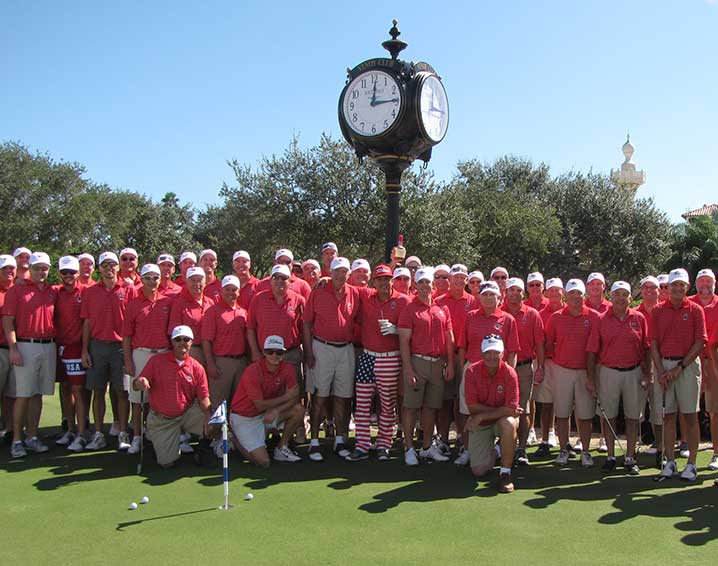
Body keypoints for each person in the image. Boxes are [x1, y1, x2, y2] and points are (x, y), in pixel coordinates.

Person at [346, 264, 409, 462]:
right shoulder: (367, 296)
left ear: (392, 280)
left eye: (387, 279)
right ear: (374, 282)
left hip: (390, 357)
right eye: (380, 279)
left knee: (387, 403)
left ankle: (384, 444)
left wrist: (396, 329)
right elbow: (346, 287)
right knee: (362, 403)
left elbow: (412, 329)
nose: (383, 282)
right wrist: (325, 280)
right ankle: (363, 445)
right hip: (367, 355)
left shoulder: (403, 300)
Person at [587, 281, 650, 475]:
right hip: (608, 372)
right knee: (609, 417)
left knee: (633, 417)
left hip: (634, 372)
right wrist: (591, 378)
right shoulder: (601, 319)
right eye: (617, 294)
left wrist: (647, 373)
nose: (621, 298)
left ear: (631, 298)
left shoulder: (639, 318)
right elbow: (591, 352)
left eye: (625, 294)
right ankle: (611, 456)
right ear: (611, 297)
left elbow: (646, 348)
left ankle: (630, 457)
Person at [651, 268, 707, 481]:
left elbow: (700, 341)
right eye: (673, 284)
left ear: (687, 287)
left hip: (687, 366)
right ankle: (670, 461)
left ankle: (691, 464)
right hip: (664, 366)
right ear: (668, 287)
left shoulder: (695, 310)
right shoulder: (657, 311)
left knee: (690, 416)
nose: (676, 288)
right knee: (668, 416)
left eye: (681, 285)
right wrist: (661, 370)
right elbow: (654, 342)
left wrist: (679, 368)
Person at [456, 280, 520, 465]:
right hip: (472, 371)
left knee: (504, 413)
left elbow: (513, 350)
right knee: (466, 411)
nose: (489, 298)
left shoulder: (507, 319)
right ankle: (467, 449)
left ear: (500, 297)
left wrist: (509, 374)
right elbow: (462, 346)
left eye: (492, 294)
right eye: (485, 294)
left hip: (500, 372)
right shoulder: (470, 317)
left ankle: (500, 447)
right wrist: (463, 370)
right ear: (479, 297)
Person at [303, 257, 360, 461]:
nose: (340, 275)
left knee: (343, 397)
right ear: (331, 272)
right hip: (322, 348)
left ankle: (339, 440)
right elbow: (307, 324)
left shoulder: (354, 293)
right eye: (336, 271)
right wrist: (308, 352)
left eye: (344, 272)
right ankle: (315, 442)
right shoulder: (318, 292)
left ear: (348, 274)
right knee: (320, 396)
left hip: (345, 349)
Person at [80, 251, 137, 451]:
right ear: (99, 268)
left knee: (121, 392)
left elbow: (133, 322)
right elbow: (86, 323)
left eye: (112, 264)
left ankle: (122, 432)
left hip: (120, 348)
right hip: (97, 346)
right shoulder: (90, 292)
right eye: (105, 265)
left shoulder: (128, 290)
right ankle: (98, 434)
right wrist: (84, 350)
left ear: (117, 267)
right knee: (98, 391)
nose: (109, 268)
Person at [133, 325, 212, 468]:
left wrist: (208, 415)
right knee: (167, 464)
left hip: (186, 414)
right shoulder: (156, 361)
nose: (182, 343)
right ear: (172, 342)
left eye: (186, 339)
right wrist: (140, 382)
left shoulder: (197, 367)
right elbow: (136, 384)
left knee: (213, 424)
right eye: (178, 339)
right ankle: (154, 440)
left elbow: (203, 398)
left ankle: (201, 450)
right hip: (163, 419)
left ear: (191, 342)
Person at [398, 267, 455, 465]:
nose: (424, 286)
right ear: (416, 285)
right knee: (411, 408)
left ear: (433, 285)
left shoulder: (442, 308)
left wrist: (449, 364)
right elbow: (404, 342)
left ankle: (426, 447)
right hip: (417, 361)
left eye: (427, 282)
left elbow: (449, 339)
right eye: (420, 282)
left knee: (431, 407)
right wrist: (408, 368)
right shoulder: (409, 309)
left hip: (438, 363)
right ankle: (408, 448)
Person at [2, 252, 57, 458]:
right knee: (23, 395)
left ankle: (32, 436)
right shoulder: (17, 290)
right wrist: (14, 348)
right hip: (25, 346)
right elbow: (8, 322)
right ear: (29, 268)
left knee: (37, 394)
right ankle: (17, 439)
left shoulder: (52, 291)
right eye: (37, 268)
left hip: (48, 345)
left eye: (44, 268)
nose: (41, 272)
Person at [545, 278, 599, 468]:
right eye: (572, 294)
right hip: (562, 370)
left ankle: (585, 451)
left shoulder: (593, 317)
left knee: (585, 415)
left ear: (584, 295)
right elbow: (548, 343)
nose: (576, 297)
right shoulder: (556, 317)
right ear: (566, 296)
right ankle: (563, 450)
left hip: (585, 371)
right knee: (562, 413)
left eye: (579, 294)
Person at [229, 335, 304, 466]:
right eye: (270, 352)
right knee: (263, 462)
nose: (274, 355)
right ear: (264, 352)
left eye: (279, 352)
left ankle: (281, 448)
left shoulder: (288, 368)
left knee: (298, 410)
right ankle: (233, 437)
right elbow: (259, 405)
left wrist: (276, 410)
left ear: (284, 353)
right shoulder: (252, 371)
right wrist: (285, 398)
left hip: (265, 414)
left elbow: (295, 396)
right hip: (244, 417)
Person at [122, 264, 173, 454]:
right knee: (138, 400)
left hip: (162, 354)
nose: (152, 281)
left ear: (160, 280)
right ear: (141, 280)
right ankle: (136, 437)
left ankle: (154, 434)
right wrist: (128, 361)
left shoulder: (167, 302)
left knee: (158, 399)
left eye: (155, 278)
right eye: (148, 278)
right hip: (140, 354)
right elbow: (127, 336)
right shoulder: (134, 304)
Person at [464, 335, 521, 493]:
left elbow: (510, 412)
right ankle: (498, 450)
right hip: (482, 423)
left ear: (502, 354)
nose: (492, 357)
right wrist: (505, 409)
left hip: (496, 421)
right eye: (488, 353)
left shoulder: (510, 373)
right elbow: (472, 408)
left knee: (508, 422)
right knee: (478, 471)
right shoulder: (471, 371)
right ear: (482, 354)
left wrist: (483, 415)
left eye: (496, 352)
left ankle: (505, 473)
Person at [247, 264, 305, 405]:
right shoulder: (258, 299)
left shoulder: (298, 300)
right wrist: (255, 352)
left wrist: (307, 354)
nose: (279, 280)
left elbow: (305, 329)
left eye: (283, 278)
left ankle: (295, 426)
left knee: (293, 396)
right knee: (267, 394)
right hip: (265, 355)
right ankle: (269, 426)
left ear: (289, 281)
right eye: (276, 277)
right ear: (270, 280)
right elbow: (250, 328)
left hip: (290, 355)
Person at [501, 277, 545, 465]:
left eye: (518, 290)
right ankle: (502, 446)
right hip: (500, 368)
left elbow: (540, 343)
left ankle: (521, 448)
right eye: (511, 290)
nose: (515, 293)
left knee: (524, 409)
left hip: (525, 367)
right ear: (506, 292)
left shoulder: (532, 314)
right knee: (502, 409)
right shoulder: (498, 312)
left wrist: (540, 367)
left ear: (523, 293)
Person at [434, 264, 476, 459]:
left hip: (465, 356)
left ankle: (461, 437)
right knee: (443, 400)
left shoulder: (475, 301)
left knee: (462, 401)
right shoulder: (438, 301)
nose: (459, 280)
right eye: (456, 277)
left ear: (467, 280)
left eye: (463, 277)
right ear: (449, 280)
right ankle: (443, 439)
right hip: (443, 355)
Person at [54, 256, 89, 451]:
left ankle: (82, 433)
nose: (68, 276)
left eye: (72, 272)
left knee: (78, 390)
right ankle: (70, 427)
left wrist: (84, 349)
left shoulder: (85, 292)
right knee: (65, 388)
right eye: (65, 272)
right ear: (59, 273)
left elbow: (87, 323)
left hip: (76, 347)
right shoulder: (55, 292)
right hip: (60, 347)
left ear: (78, 273)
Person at [201, 275, 248, 408]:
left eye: (234, 290)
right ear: (221, 291)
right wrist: (210, 364)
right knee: (218, 405)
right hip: (221, 362)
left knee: (238, 403)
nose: (231, 293)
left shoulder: (243, 312)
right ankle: (217, 429)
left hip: (240, 361)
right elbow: (206, 340)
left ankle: (232, 429)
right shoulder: (212, 311)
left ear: (239, 292)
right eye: (227, 289)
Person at [688, 268, 718, 471]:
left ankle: (716, 453)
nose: (705, 285)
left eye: (709, 282)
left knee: (715, 411)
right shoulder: (688, 303)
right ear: (696, 284)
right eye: (701, 282)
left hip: (714, 360)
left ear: (714, 283)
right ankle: (689, 453)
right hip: (690, 361)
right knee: (689, 410)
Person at [533, 278, 564, 457]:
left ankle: (564, 442)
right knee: (546, 403)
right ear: (547, 293)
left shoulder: (570, 311)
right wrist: (541, 366)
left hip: (566, 364)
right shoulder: (540, 314)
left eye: (557, 290)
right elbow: (540, 343)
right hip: (547, 361)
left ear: (562, 292)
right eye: (551, 291)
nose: (554, 294)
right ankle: (545, 439)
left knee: (566, 404)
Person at [168, 266, 215, 366]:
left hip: (211, 352)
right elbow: (173, 332)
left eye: (200, 280)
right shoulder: (179, 304)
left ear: (205, 281)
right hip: (189, 351)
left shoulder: (210, 302)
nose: (196, 284)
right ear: (186, 282)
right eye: (192, 280)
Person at [0, 255, 17, 437]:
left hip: (16, 349)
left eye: (11, 268)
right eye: (4, 269)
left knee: (11, 395)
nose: (9, 271)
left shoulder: (20, 290)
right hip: (1, 348)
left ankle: (11, 429)